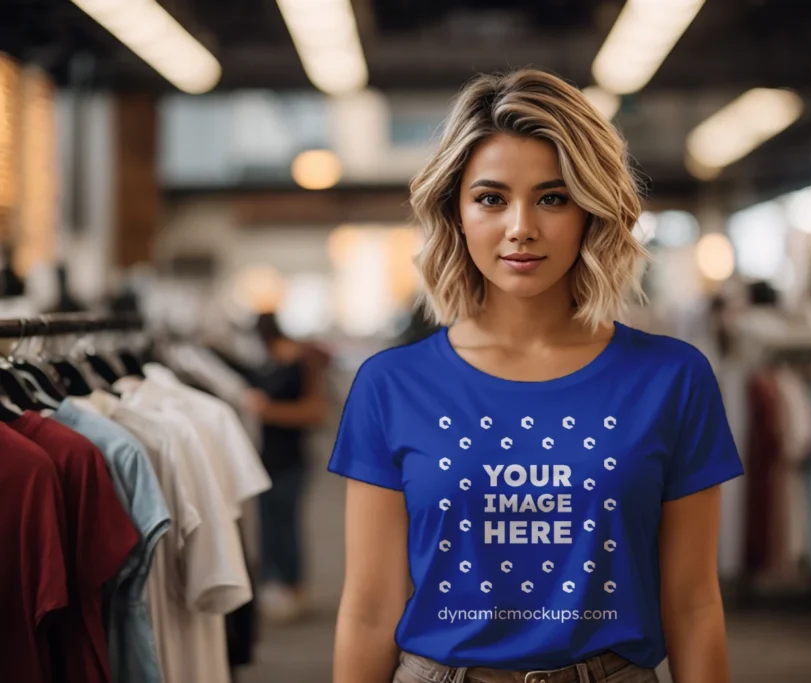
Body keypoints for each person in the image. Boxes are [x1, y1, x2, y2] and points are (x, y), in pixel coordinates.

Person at [327, 69, 744, 683]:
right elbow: (368, 610)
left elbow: (693, 603)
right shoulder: (390, 385)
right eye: (491, 198)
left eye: (553, 197)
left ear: (590, 210)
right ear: (457, 212)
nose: (521, 226)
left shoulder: (672, 379)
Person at [243, 312, 329, 623]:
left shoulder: (302, 363)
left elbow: (316, 412)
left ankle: (293, 589)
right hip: (265, 457)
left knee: (286, 524)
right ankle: (276, 585)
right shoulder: (269, 364)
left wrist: (268, 411)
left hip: (292, 457)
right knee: (268, 524)